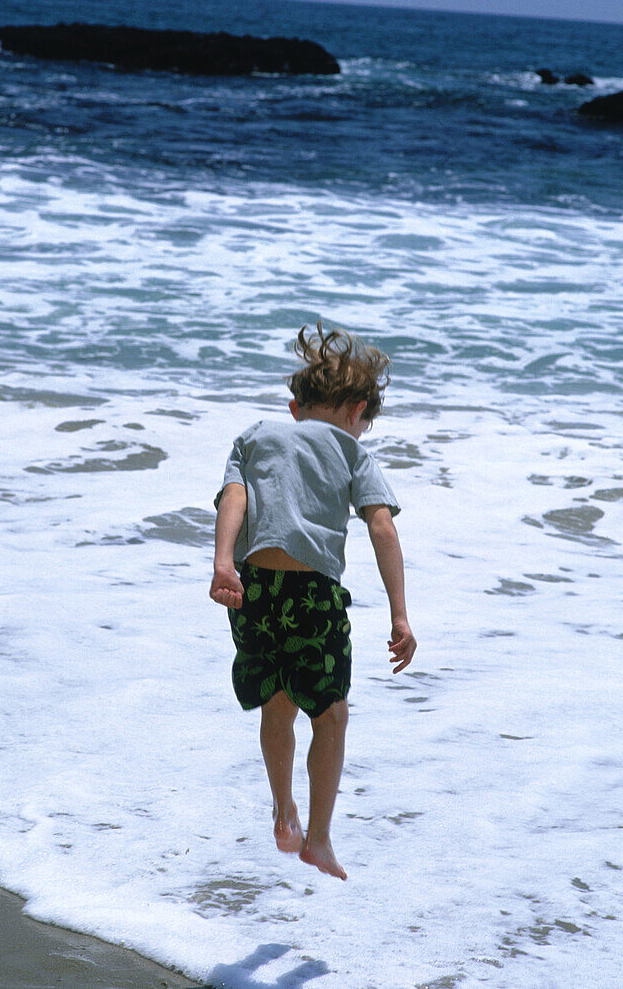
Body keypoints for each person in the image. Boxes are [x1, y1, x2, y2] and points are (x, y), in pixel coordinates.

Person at [209, 323, 416, 880]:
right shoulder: (352, 451)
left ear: (296, 407)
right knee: (331, 715)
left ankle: (283, 811)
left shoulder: (255, 434)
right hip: (312, 594)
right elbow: (382, 529)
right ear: (355, 410)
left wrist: (223, 562)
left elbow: (235, 497)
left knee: (277, 703)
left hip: (251, 585)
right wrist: (400, 613)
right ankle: (319, 839)